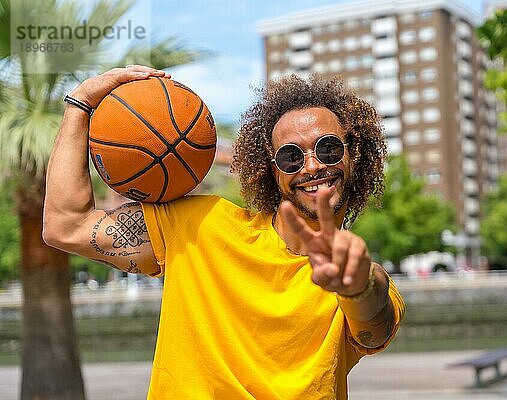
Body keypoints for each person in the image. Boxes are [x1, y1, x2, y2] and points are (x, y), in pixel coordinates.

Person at [43, 65, 405, 399]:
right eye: (291, 156)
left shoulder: (360, 273)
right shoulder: (198, 224)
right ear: (272, 168)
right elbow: (65, 225)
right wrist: (81, 103)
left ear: (355, 153)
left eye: (328, 148)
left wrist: (357, 288)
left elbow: (375, 323)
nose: (312, 166)